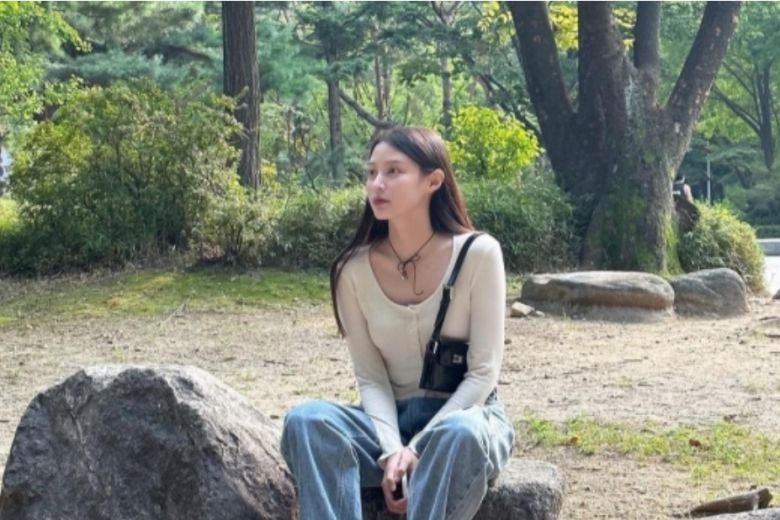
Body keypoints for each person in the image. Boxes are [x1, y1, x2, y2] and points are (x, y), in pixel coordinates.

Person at [281, 126, 515, 520]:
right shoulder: (352, 270)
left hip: (464, 420)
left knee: (459, 434)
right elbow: (371, 378)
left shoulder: (479, 253)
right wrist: (392, 451)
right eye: (372, 172)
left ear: (433, 181)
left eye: (393, 171)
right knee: (306, 421)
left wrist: (419, 448)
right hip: (385, 423)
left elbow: (483, 374)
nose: (377, 184)